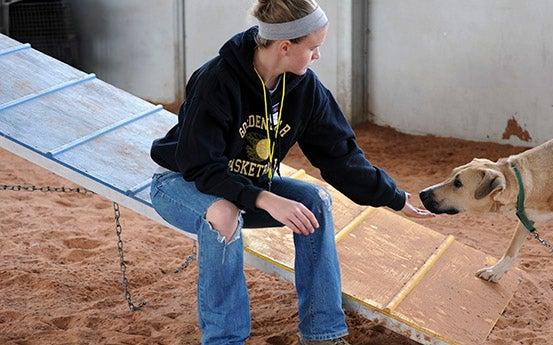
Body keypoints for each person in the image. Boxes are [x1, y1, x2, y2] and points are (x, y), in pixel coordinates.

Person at [149, 0, 433, 344]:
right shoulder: (216, 81)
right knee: (223, 216)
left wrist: (392, 195)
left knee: (314, 201)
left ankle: (323, 333)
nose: (317, 57)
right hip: (183, 184)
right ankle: (225, 339)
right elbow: (201, 166)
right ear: (285, 46)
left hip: (247, 187)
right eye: (313, 48)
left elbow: (340, 157)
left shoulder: (305, 90)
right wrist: (265, 198)